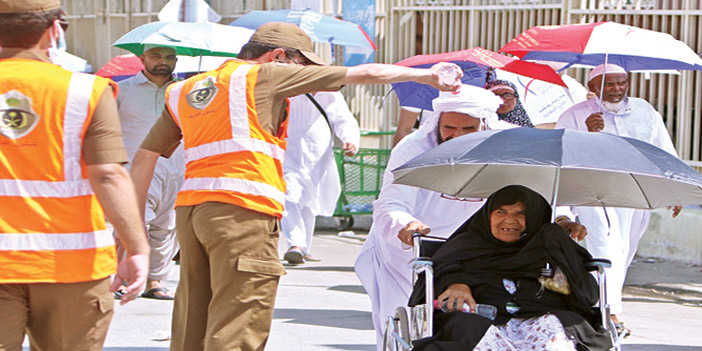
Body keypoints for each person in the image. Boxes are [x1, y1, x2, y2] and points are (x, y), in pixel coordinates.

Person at [128, 21, 464, 351]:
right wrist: (427, 76)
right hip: (242, 210)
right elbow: (364, 74)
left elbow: (145, 156)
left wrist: (133, 229)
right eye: (301, 65)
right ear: (278, 56)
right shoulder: (264, 74)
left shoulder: (186, 89)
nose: (303, 75)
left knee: (193, 316)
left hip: (192, 213)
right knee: (239, 317)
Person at [354, 85, 587, 348]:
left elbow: (542, 188)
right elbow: (391, 201)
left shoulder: (512, 142)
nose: (457, 136)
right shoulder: (414, 148)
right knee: (408, 321)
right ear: (437, 123)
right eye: (449, 129)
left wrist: (563, 218)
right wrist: (405, 223)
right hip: (413, 246)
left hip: (488, 246)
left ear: (484, 124)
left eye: (468, 129)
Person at [0, 1, 149, 350]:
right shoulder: (86, 92)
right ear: (54, 30)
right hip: (72, 268)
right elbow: (108, 174)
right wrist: (136, 247)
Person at [556, 63, 682, 336]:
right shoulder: (575, 115)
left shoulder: (644, 110)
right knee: (605, 244)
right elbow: (563, 155)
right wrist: (586, 134)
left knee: (624, 249)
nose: (616, 90)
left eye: (620, 83)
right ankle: (608, 312)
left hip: (635, 190)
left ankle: (606, 304)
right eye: (608, 84)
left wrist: (673, 186)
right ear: (592, 87)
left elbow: (663, 147)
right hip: (595, 190)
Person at [410, 185, 612, 351]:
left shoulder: (547, 247)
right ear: (488, 215)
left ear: (534, 218)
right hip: (481, 318)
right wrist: (455, 282)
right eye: (501, 212)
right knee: (469, 329)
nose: (509, 220)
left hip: (538, 317)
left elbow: (583, 295)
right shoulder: (466, 244)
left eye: (521, 214)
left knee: (557, 330)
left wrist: (557, 244)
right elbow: (439, 272)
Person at [116, 44, 184, 300]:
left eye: (169, 57)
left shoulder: (183, 92)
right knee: (134, 224)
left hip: (176, 168)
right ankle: (121, 276)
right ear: (142, 58)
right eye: (156, 56)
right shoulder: (122, 91)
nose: (163, 62)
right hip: (134, 169)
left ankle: (154, 280)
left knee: (166, 227)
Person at [282, 91, 360, 264]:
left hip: (319, 158)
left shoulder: (331, 95)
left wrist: (350, 140)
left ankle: (304, 248)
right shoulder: (289, 89)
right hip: (288, 154)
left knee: (310, 202)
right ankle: (295, 244)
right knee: (289, 197)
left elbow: (343, 120)